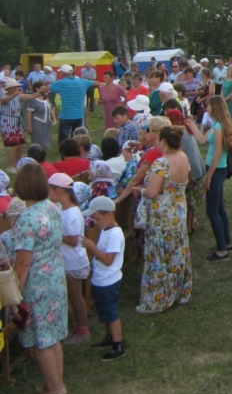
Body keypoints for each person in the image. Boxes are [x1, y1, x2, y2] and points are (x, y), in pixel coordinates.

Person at [0, 163, 67, 394]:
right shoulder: (52, 207)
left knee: (42, 340)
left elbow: (23, 263)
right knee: (52, 336)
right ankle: (56, 383)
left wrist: (15, 294)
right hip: (55, 278)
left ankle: (55, 390)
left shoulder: (27, 219)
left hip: (37, 284)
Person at [133, 125, 192, 313]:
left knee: (158, 255)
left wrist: (139, 190)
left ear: (164, 142)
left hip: (162, 216)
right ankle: (178, 289)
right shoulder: (183, 157)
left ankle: (158, 297)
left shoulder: (162, 163)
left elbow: (152, 192)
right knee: (176, 250)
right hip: (178, 212)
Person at [189, 95, 232, 262]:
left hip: (216, 170)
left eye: (208, 106)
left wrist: (208, 176)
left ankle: (222, 250)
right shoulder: (218, 123)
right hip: (218, 169)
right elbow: (202, 140)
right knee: (219, 208)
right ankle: (227, 242)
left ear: (214, 107)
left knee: (212, 210)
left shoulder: (218, 127)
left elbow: (217, 152)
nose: (206, 108)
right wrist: (190, 124)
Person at [81, 196, 127, 362]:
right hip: (101, 279)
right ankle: (109, 337)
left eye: (97, 218)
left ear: (109, 214)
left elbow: (108, 259)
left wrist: (91, 247)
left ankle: (117, 345)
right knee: (105, 312)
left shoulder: (115, 234)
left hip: (109, 280)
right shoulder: (105, 230)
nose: (96, 222)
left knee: (111, 313)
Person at [47, 173, 90, 344]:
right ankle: (75, 327)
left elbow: (73, 240)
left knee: (75, 296)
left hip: (74, 262)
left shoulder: (72, 213)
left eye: (49, 190)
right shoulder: (61, 209)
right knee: (68, 295)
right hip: (67, 260)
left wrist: (54, 234)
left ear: (58, 191)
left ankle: (83, 329)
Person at [50, 64, 100, 144]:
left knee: (63, 138)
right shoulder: (82, 81)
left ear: (63, 73)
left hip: (66, 115)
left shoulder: (60, 83)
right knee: (77, 138)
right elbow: (97, 83)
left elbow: (45, 89)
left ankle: (65, 154)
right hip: (79, 115)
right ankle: (76, 152)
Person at [1, 79, 37, 172]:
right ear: (9, 88)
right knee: (14, 144)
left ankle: (17, 163)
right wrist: (15, 94)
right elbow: (4, 100)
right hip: (8, 123)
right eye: (14, 87)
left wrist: (40, 92)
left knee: (20, 144)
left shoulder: (18, 96)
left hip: (17, 123)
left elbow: (30, 96)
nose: (17, 88)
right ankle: (9, 166)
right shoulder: (3, 96)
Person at [26, 81, 56, 149]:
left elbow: (50, 108)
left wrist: (54, 118)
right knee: (37, 141)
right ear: (37, 89)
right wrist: (29, 126)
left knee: (46, 140)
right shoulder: (33, 100)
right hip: (37, 123)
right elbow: (29, 113)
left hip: (46, 123)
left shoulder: (46, 98)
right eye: (43, 88)